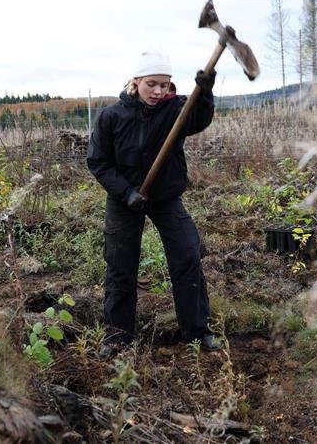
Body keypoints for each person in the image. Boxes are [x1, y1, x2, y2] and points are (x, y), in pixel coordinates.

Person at [86, 49, 221, 359]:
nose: (159, 91)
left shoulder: (175, 109)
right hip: (124, 200)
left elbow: (199, 120)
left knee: (187, 256)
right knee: (120, 265)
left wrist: (206, 92)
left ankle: (198, 332)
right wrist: (126, 192)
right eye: (152, 84)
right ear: (136, 81)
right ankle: (117, 337)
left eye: (165, 84)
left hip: (165, 198)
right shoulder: (112, 116)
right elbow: (98, 162)